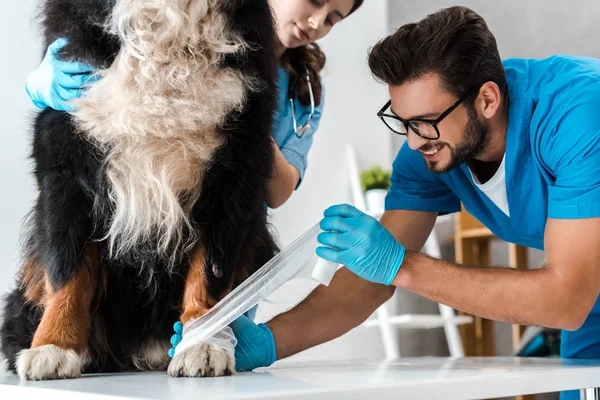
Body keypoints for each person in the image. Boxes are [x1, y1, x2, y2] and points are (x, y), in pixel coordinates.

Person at [173, 5, 600, 397]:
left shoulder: (577, 114)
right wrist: (269, 341)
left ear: (487, 100)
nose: (413, 142)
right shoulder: (430, 153)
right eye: (403, 122)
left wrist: (403, 265)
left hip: (579, 299)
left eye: (426, 123)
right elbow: (370, 283)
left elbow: (564, 299)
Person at [23, 0, 363, 210]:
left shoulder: (304, 90)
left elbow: (279, 193)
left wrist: (251, 121)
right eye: (315, 0)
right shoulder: (199, 25)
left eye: (333, 18)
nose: (318, 22)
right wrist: (38, 86)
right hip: (129, 202)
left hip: (216, 236)